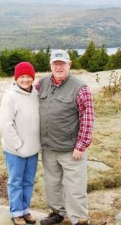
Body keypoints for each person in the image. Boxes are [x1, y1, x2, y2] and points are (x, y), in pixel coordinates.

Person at [35, 49, 95, 225]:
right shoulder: (42, 83)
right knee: (52, 184)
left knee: (75, 187)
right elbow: (25, 95)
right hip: (48, 147)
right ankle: (57, 213)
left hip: (71, 149)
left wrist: (81, 145)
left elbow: (88, 117)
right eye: (56, 63)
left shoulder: (80, 87)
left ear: (69, 64)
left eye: (62, 64)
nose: (59, 67)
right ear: (51, 65)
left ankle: (79, 219)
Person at [0, 61, 41, 225]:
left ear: (33, 77)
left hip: (33, 148)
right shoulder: (10, 96)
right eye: (21, 76)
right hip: (15, 150)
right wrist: (18, 146)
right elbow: (5, 125)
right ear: (16, 78)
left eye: (28, 76)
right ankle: (16, 212)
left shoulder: (35, 94)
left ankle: (25, 210)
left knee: (28, 181)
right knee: (16, 181)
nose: (25, 80)